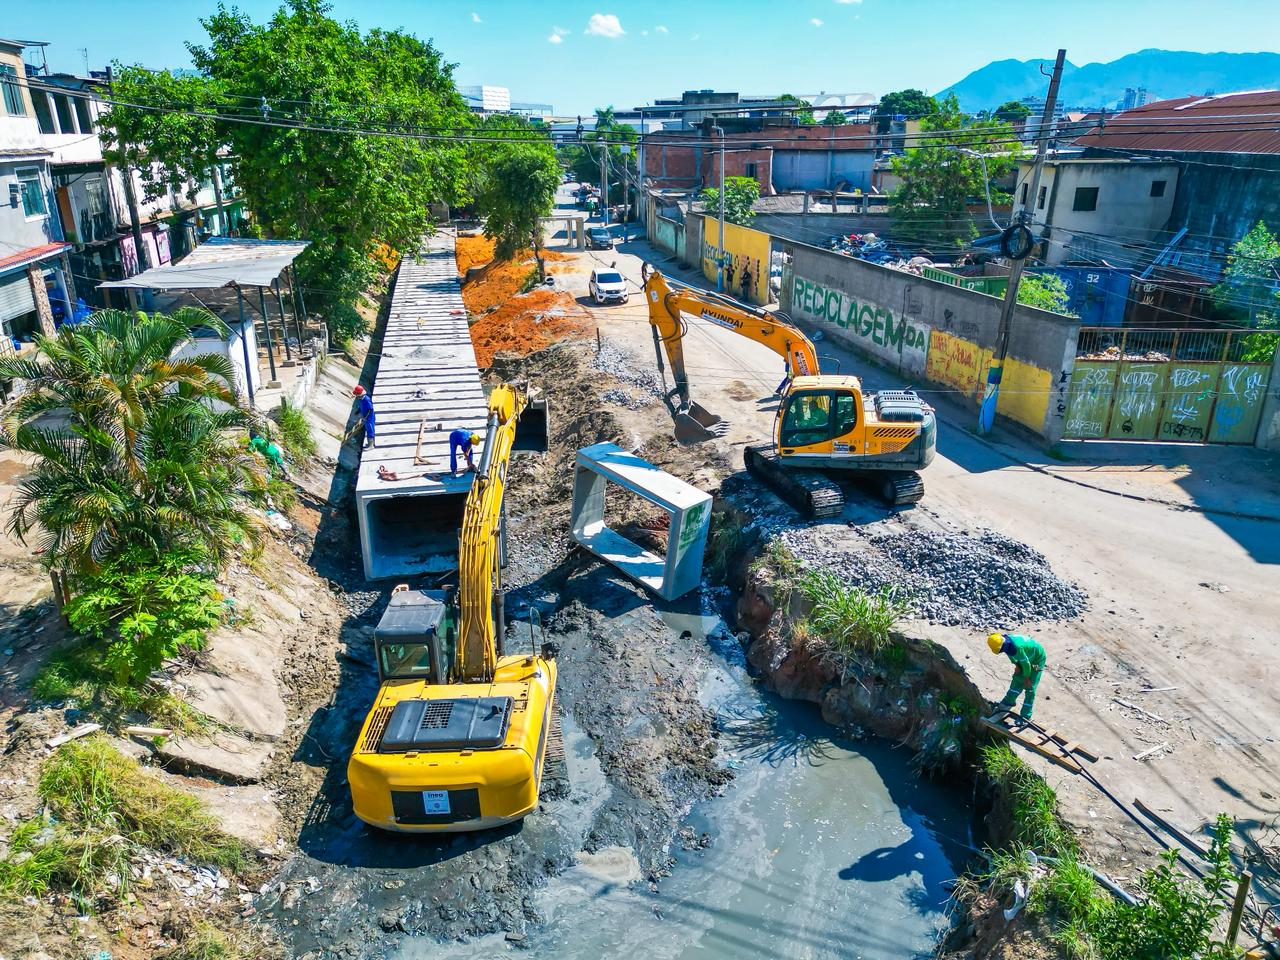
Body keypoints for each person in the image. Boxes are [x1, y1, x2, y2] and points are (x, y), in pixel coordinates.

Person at [987, 632, 1046, 720]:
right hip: (1026, 657)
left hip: (1037, 660)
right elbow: (1011, 655)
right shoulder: (1006, 643)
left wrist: (1026, 678)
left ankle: (1025, 716)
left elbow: (1026, 664)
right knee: (1017, 679)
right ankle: (1008, 703)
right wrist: (1017, 664)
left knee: (1030, 687)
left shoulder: (1016, 647)